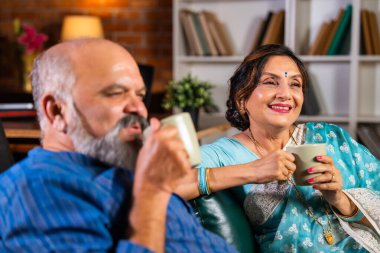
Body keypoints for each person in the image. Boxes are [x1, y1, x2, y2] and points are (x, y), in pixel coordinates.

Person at [0, 38, 238, 253]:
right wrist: (152, 192)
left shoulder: (123, 170)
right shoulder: (37, 188)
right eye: (116, 93)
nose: (139, 108)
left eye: (140, 95)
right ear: (57, 111)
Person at [176, 44, 380, 252]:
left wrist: (340, 199)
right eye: (271, 82)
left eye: (295, 84)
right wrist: (253, 170)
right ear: (242, 99)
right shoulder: (224, 154)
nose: (285, 94)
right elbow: (164, 186)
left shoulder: (330, 138)